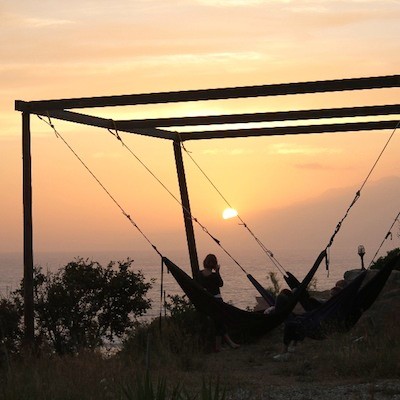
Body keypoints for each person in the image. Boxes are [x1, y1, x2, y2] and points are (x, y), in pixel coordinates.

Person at [198, 254, 240, 352]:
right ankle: (224, 345)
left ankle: (222, 345)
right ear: (214, 264)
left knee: (219, 322)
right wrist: (217, 272)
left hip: (208, 300)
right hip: (217, 300)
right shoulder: (214, 276)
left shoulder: (200, 274)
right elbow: (221, 284)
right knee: (220, 322)